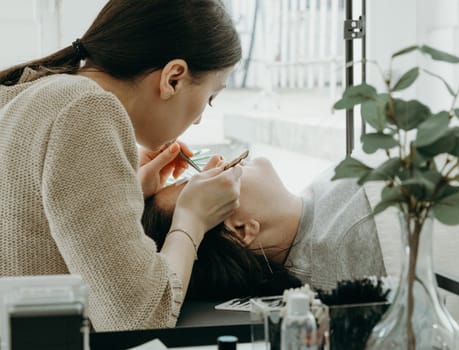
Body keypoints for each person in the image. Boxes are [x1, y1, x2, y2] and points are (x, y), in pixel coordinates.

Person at [0, 0, 243, 331]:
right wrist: (193, 218)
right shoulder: (87, 109)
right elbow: (138, 318)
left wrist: (124, 183)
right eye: (210, 98)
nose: (200, 118)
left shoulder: (34, 93)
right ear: (174, 78)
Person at [142, 156, 386, 296]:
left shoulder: (314, 216)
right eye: (206, 186)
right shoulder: (357, 234)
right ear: (241, 231)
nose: (217, 162)